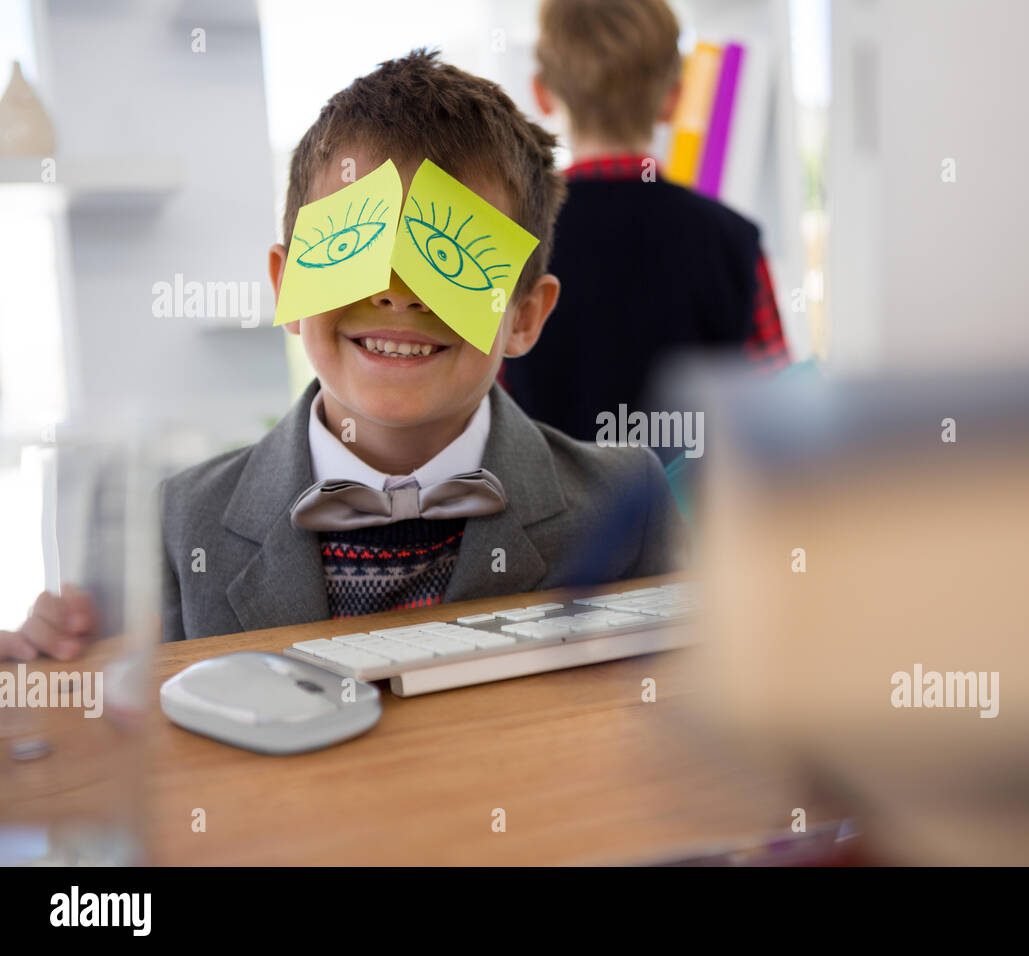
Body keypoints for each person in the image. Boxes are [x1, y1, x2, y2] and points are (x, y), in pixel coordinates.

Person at [1, 48, 684, 657]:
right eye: (357, 249)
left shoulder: (625, 503)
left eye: (447, 258)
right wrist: (61, 669)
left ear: (525, 317)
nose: (398, 296)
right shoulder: (180, 525)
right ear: (289, 284)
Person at [503, 0, 790, 448]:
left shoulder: (510, 242)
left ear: (540, 92)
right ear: (674, 98)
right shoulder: (734, 240)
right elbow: (774, 419)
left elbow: (482, 417)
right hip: (696, 514)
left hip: (551, 514)